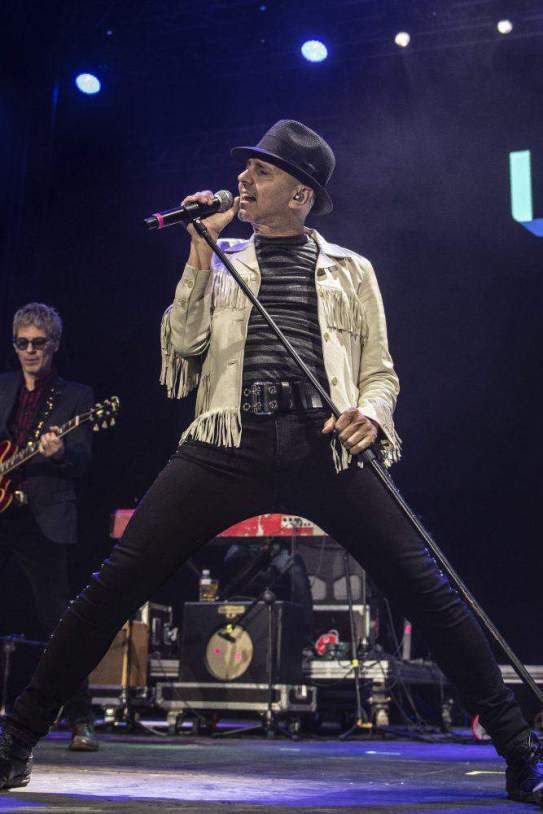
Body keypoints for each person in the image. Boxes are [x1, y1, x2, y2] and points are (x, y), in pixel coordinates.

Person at [0, 121, 541, 805]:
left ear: (301, 194)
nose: (244, 182)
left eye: (261, 172)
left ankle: (520, 753)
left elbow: (380, 372)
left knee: (427, 589)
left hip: (325, 446)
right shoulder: (223, 255)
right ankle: (18, 738)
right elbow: (182, 348)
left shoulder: (352, 270)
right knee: (115, 583)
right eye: (246, 170)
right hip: (228, 440)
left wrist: (369, 416)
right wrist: (198, 253)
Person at [0, 303, 98, 752]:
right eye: (22, 343)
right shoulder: (3, 389)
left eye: (38, 343)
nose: (29, 351)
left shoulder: (75, 397)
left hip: (43, 519)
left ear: (53, 345)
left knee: (58, 621)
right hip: (4, 512)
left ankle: (81, 718)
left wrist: (59, 454)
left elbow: (82, 463)